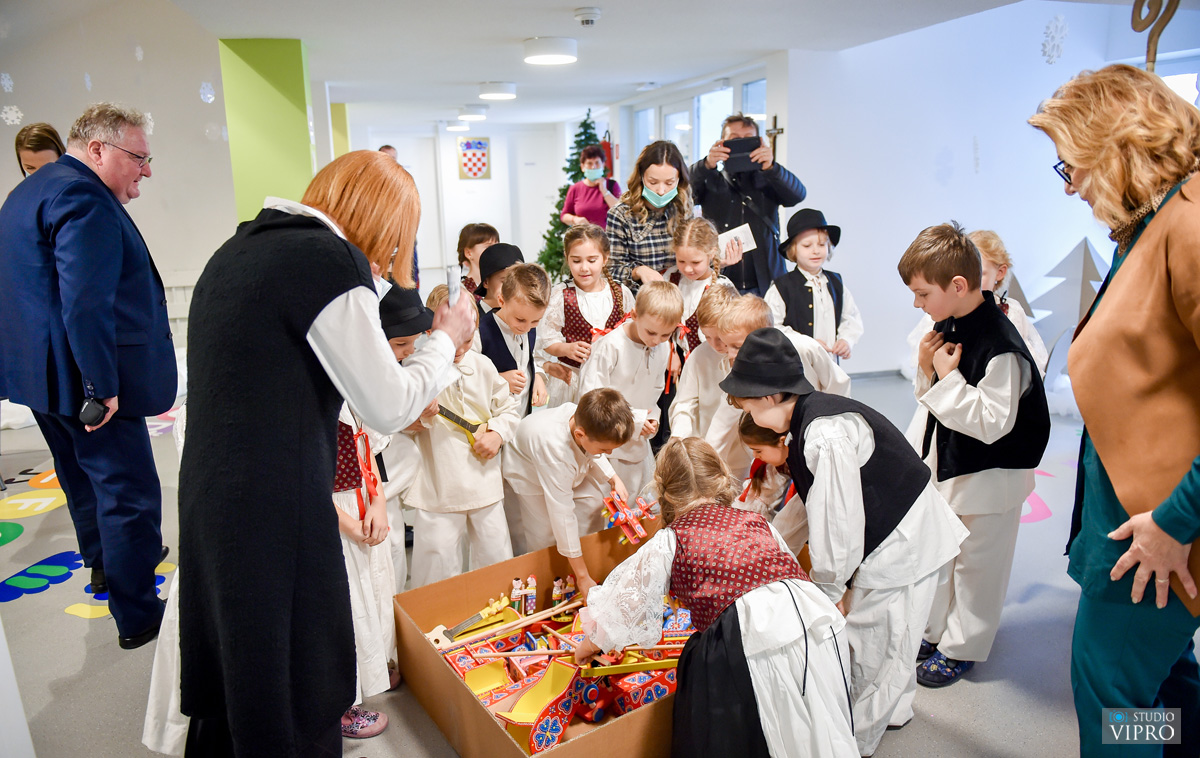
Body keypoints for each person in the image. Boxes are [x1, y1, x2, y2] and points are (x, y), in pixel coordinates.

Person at [177, 149, 476, 757]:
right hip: (276, 505)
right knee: (293, 684)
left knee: (241, 676)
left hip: (214, 497)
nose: (388, 257)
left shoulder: (239, 249)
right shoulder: (327, 261)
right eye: (395, 239)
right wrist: (445, 340)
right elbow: (387, 404)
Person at [1029, 63, 1200, 755]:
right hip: (1131, 516)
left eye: (1071, 165)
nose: (1070, 186)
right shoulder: (1149, 225)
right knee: (1165, 684)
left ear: (1117, 146)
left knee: (1112, 697)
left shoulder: (1189, 225)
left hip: (1160, 531)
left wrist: (1175, 522)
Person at [722, 328, 967, 757]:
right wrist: (763, 546)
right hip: (896, 534)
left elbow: (838, 522)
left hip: (902, 542)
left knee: (875, 650)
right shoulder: (807, 422)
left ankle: (856, 744)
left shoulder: (824, 434)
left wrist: (829, 589)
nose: (747, 413)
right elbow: (807, 503)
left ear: (767, 397)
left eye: (746, 405)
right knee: (894, 641)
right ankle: (894, 711)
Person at [0, 103, 172, 649]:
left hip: (40, 378)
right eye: (138, 158)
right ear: (98, 149)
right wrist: (102, 388)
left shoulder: (28, 192)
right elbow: (85, 301)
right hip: (85, 381)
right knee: (128, 493)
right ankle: (138, 612)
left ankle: (104, 568)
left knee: (82, 481)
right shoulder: (83, 196)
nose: (146, 170)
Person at [576, 437, 858, 758]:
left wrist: (588, 646)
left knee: (755, 716)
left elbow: (624, 604)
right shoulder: (756, 521)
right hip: (807, 616)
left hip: (749, 635)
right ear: (719, 477)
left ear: (665, 491)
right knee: (812, 721)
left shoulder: (671, 539)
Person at [897, 222, 1051, 688]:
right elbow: (934, 402)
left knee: (978, 567)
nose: (917, 305)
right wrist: (928, 369)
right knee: (942, 555)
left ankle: (962, 646)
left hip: (992, 478)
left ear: (959, 286)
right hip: (952, 468)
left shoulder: (1002, 345)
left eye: (923, 294)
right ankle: (935, 632)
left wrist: (945, 378)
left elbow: (991, 422)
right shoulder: (948, 324)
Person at [405, 285, 519, 587]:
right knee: (436, 567)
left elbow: (509, 408)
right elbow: (395, 422)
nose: (459, 348)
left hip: (484, 482)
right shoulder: (416, 369)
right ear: (430, 331)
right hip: (438, 485)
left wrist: (498, 433)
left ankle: (500, 611)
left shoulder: (482, 365)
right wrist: (419, 417)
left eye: (467, 339)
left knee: (495, 558)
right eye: (451, 339)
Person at [502, 388, 633, 599]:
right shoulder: (554, 449)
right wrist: (582, 576)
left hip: (560, 462)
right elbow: (562, 514)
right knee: (544, 533)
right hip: (526, 472)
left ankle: (580, 564)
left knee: (592, 503)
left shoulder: (583, 416)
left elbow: (593, 452)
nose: (609, 454)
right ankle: (547, 586)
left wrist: (613, 478)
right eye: (604, 450)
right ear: (580, 435)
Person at [578, 280, 683, 498]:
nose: (657, 340)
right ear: (634, 314)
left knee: (638, 501)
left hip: (637, 445)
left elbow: (655, 390)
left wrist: (652, 417)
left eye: (665, 335)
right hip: (606, 444)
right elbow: (590, 399)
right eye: (651, 332)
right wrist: (635, 419)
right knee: (605, 503)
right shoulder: (611, 346)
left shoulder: (663, 348)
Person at [330, 404, 395, 740]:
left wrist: (378, 502)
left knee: (373, 593)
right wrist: (349, 524)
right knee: (347, 605)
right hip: (333, 515)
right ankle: (341, 704)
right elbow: (302, 478)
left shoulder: (349, 392)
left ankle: (372, 673)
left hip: (363, 500)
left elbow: (365, 448)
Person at [690, 113, 808, 296]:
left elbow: (798, 195)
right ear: (722, 143)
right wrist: (706, 164)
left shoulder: (768, 177)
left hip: (766, 281)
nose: (741, 143)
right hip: (722, 279)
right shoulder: (710, 178)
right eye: (734, 139)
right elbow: (683, 194)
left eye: (748, 138)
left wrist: (771, 167)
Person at [906, 230, 1048, 379]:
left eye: (980, 273)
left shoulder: (1009, 319)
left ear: (1000, 272)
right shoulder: (942, 314)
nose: (971, 280)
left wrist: (946, 377)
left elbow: (1019, 374)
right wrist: (927, 366)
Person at [376, 285, 437, 593]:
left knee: (396, 556)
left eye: (415, 341)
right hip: (367, 491)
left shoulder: (397, 369)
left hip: (387, 490)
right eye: (402, 343)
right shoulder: (359, 379)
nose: (410, 351)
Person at [535, 223, 632, 408]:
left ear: (605, 258)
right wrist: (566, 349)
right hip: (572, 380)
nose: (584, 268)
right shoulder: (561, 295)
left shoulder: (621, 293)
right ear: (567, 258)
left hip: (611, 381)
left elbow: (631, 333)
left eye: (592, 260)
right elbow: (546, 340)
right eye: (576, 261)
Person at [764, 209, 864, 360]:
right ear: (793, 249)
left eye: (822, 244)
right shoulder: (782, 288)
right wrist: (806, 343)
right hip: (796, 365)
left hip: (829, 362)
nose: (816, 251)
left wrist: (846, 340)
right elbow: (771, 327)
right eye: (807, 245)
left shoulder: (836, 283)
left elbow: (851, 317)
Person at [607, 140, 692, 289]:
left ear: (679, 180)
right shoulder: (621, 215)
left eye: (669, 183)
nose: (661, 191)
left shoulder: (683, 210)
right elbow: (610, 271)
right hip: (640, 300)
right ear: (641, 177)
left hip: (679, 297)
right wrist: (637, 271)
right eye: (653, 182)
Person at [477, 262, 550, 416]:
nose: (527, 328)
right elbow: (467, 378)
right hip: (492, 420)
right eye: (520, 320)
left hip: (523, 416)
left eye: (535, 321)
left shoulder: (528, 324)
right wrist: (498, 380)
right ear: (501, 301)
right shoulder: (480, 333)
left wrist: (538, 375)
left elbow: (530, 359)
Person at [669, 282, 738, 440]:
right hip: (708, 443)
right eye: (707, 337)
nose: (715, 345)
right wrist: (679, 435)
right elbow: (685, 403)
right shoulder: (700, 355)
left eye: (720, 337)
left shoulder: (751, 353)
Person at [561, 144, 621, 228]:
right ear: (582, 167)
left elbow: (620, 212)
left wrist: (604, 191)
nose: (593, 167)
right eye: (589, 163)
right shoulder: (575, 188)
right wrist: (575, 219)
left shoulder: (612, 185)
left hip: (608, 235)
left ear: (603, 165)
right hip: (583, 235)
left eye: (597, 163)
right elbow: (564, 215)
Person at [476, 241, 524, 313]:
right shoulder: (471, 316)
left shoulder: (523, 314)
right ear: (486, 282)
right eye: (505, 282)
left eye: (518, 282)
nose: (512, 288)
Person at [456, 222, 500, 299]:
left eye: (497, 246)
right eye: (488, 247)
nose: (495, 251)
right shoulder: (460, 290)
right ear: (469, 253)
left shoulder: (502, 284)